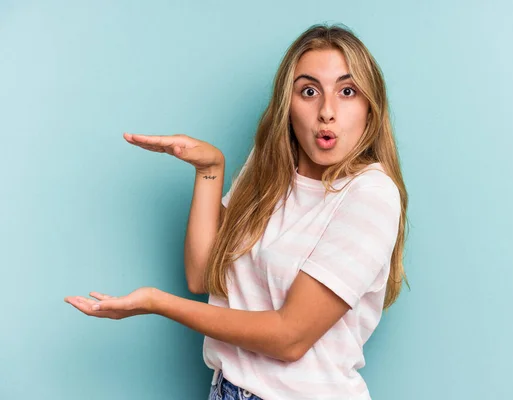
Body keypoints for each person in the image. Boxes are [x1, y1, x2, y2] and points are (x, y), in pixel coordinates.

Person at [64, 23, 409, 400]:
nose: (327, 111)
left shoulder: (370, 195)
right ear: (286, 105)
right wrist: (209, 169)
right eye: (309, 91)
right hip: (227, 389)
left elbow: (289, 337)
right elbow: (202, 275)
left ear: (370, 105)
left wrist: (157, 302)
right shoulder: (269, 169)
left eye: (347, 91)